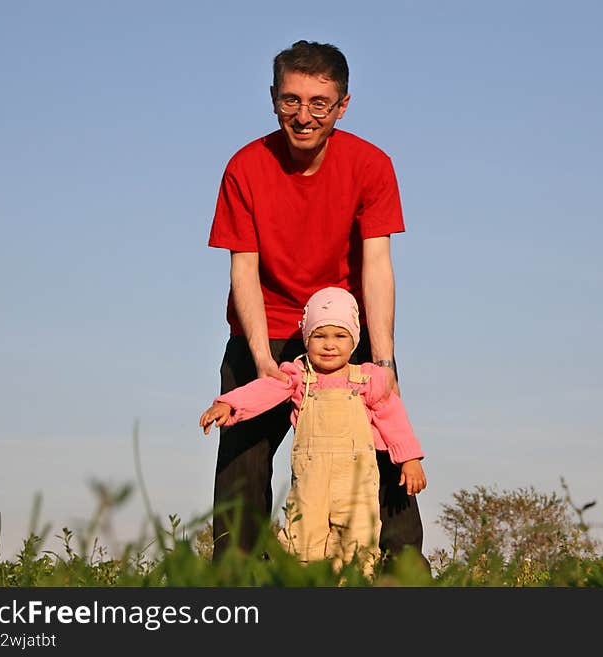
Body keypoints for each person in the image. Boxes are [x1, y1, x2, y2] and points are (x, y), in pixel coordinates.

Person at [207, 39, 428, 568]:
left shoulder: (371, 165)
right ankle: (236, 578)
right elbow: (244, 267)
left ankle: (402, 570)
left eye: (318, 103)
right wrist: (261, 358)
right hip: (265, 327)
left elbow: (376, 264)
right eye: (290, 100)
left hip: (342, 334)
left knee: (379, 440)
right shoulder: (245, 166)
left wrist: (384, 358)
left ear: (342, 105)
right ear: (273, 98)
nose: (303, 116)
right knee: (244, 457)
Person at [200, 287, 426, 575]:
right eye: (320, 336)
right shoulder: (297, 377)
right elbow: (265, 390)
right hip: (310, 487)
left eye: (339, 336)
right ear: (307, 339)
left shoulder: (368, 380)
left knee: (357, 548)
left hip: (356, 488)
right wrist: (230, 404)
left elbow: (393, 418)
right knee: (303, 546)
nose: (329, 345)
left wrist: (409, 458)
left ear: (355, 340)